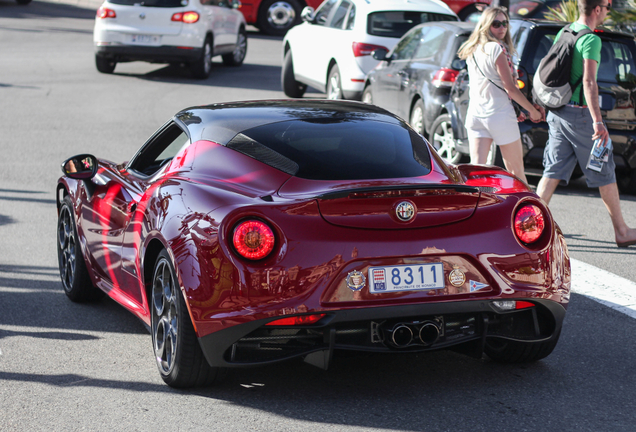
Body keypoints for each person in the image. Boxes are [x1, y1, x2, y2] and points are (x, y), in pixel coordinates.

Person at [536, 0, 636, 248]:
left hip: (558, 112)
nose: (609, 10)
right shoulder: (591, 40)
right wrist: (598, 122)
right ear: (598, 8)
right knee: (605, 170)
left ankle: (528, 225)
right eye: (608, 6)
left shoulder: (566, 30)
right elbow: (590, 82)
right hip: (580, 115)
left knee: (553, 171)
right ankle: (622, 231)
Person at [457, 6, 544, 185]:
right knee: (516, 172)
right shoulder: (497, 49)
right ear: (486, 25)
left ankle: (477, 210)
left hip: (476, 115)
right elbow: (510, 88)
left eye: (505, 23)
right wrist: (531, 111)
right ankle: (523, 211)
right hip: (499, 116)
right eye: (496, 24)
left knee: (476, 173)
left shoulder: (472, 49)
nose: (502, 28)